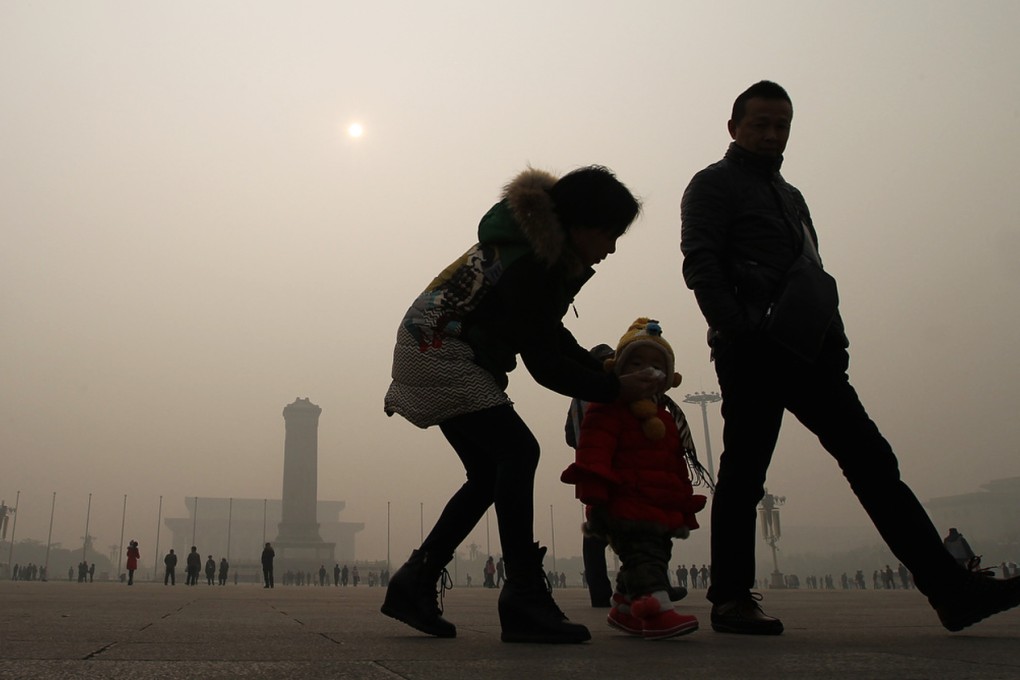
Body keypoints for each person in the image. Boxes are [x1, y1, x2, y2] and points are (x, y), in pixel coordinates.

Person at [679, 79, 1020, 634]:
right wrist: (741, 333)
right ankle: (732, 599)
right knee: (745, 476)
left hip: (812, 354)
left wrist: (832, 343)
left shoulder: (791, 195)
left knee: (874, 464)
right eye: (760, 123)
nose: (771, 133)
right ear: (733, 127)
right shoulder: (713, 185)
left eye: (781, 124)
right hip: (753, 353)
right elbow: (701, 264)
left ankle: (951, 591)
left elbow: (809, 275)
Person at [382, 165, 654, 644]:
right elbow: (544, 361)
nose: (611, 249)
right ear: (581, 225)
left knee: (489, 472)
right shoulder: (532, 262)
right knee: (518, 452)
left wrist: (604, 371)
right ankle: (524, 594)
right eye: (609, 235)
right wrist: (613, 391)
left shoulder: (532, 250)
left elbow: (547, 331)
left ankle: (414, 581)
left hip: (431, 347)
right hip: (439, 353)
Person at [561, 318, 706, 640]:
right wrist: (594, 485)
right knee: (643, 554)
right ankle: (656, 609)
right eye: (636, 363)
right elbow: (590, 443)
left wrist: (683, 500)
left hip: (657, 501)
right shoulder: (605, 404)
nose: (647, 372)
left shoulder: (663, 415)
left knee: (653, 551)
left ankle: (625, 606)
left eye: (656, 365)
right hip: (623, 497)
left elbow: (673, 462)